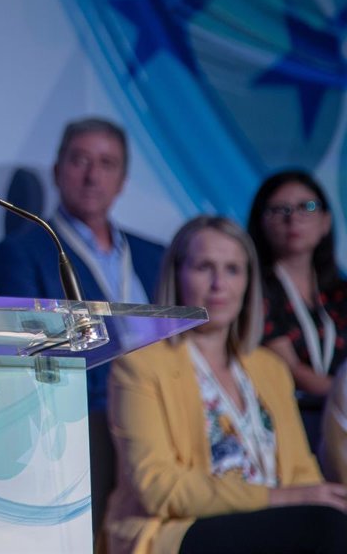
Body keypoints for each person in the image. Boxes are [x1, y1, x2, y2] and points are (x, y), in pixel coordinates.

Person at [104, 216, 347, 554]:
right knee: (326, 528)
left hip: (276, 521)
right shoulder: (139, 366)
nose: (219, 284)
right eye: (204, 267)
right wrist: (275, 498)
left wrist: (307, 498)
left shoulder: (270, 368)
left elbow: (301, 473)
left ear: (248, 282)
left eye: (233, 269)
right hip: (180, 527)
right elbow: (159, 487)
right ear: (177, 274)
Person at [0, 117, 164, 537]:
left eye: (107, 163)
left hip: (158, 420)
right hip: (80, 420)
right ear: (57, 170)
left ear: (122, 179)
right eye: (80, 160)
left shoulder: (154, 254)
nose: (92, 175)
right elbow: (31, 348)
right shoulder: (22, 251)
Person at [247, 170, 347, 398]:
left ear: (326, 222)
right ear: (260, 222)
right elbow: (289, 369)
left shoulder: (341, 293)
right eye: (279, 209)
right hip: (289, 410)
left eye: (307, 207)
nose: (293, 218)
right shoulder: (252, 290)